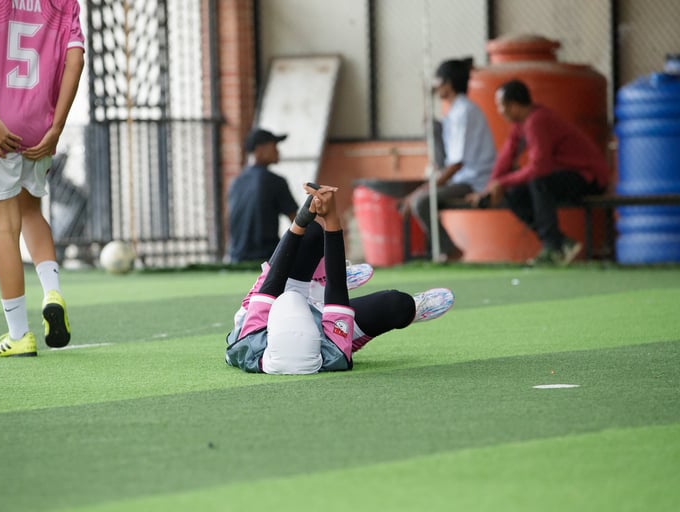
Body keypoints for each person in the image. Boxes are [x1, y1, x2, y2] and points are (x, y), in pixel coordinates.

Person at [0, 0, 85, 356]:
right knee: (31, 211)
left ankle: (18, 335)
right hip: (39, 127)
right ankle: (52, 292)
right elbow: (76, 60)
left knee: (2, 228)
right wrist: (56, 128)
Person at [225, 183, 455, 374]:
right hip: (324, 325)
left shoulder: (249, 339)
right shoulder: (333, 352)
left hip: (275, 299)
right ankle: (320, 287)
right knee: (398, 304)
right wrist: (332, 218)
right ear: (318, 342)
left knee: (311, 233)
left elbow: (273, 282)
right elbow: (337, 290)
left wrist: (301, 219)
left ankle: (316, 282)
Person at [468, 79, 610, 264]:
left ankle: (552, 247)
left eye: (501, 106)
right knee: (514, 194)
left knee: (539, 181)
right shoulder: (520, 124)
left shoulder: (538, 121)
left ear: (514, 106)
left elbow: (539, 168)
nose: (499, 111)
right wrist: (491, 188)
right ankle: (560, 243)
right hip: (564, 177)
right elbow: (506, 156)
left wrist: (501, 183)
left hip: (589, 178)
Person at [403, 58, 496, 262]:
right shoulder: (454, 111)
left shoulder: (464, 112)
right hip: (459, 175)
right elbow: (431, 128)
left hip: (472, 179)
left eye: (438, 82)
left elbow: (457, 164)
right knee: (433, 128)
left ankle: (450, 250)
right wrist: (425, 97)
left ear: (448, 83)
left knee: (421, 201)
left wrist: (424, 189)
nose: (436, 88)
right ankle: (440, 248)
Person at [226, 128, 298, 263]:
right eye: (274, 147)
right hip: (267, 260)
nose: (278, 152)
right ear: (260, 150)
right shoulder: (275, 181)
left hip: (236, 259)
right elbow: (298, 223)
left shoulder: (236, 182)